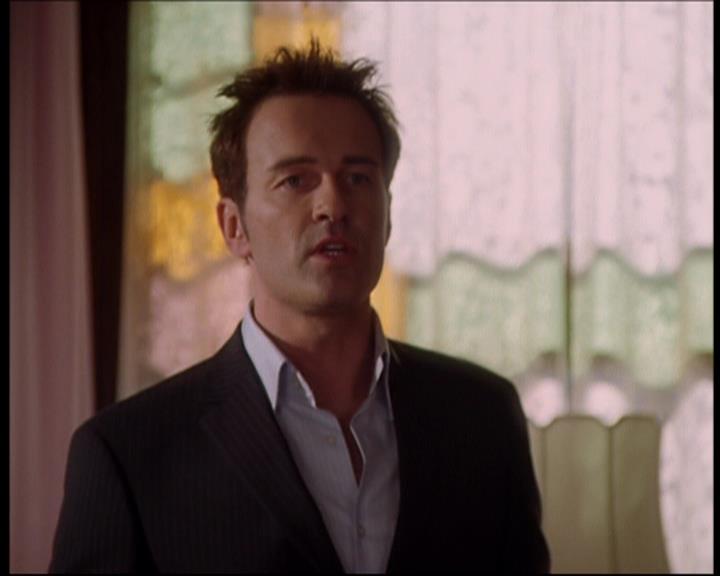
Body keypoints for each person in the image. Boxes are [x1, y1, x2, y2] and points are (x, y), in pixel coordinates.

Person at [50, 40, 550, 573]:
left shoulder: (482, 418)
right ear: (234, 227)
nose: (333, 204)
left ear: (388, 214)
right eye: (294, 180)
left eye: (358, 178)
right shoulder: (129, 455)